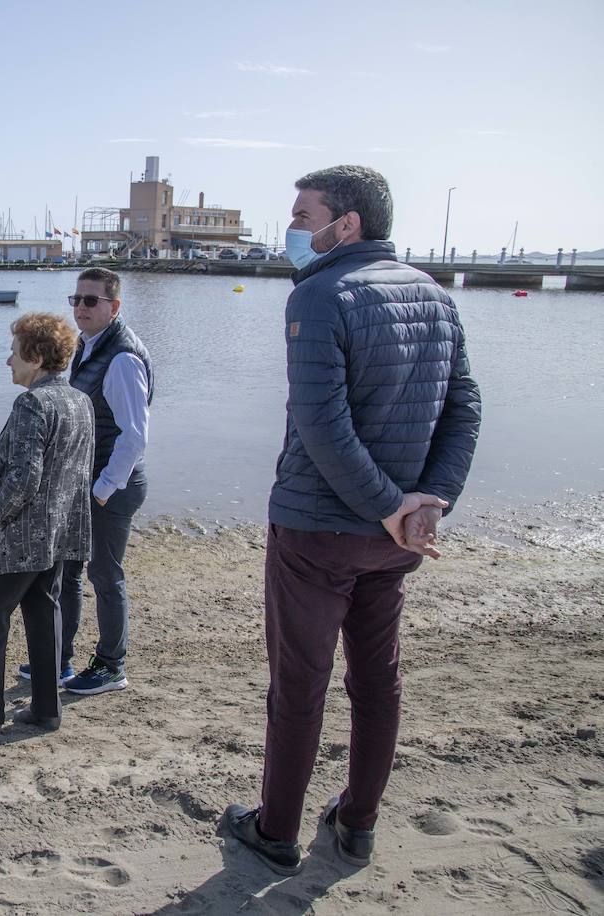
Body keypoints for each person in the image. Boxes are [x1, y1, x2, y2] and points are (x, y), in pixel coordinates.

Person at [224, 165, 481, 874]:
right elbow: (464, 410)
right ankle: (357, 821)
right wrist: (427, 502)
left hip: (318, 531)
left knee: (299, 685)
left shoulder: (320, 294)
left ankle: (276, 831)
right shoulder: (432, 293)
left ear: (348, 225)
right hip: (394, 538)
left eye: (304, 216)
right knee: (377, 679)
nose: (293, 230)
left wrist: (401, 505)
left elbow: (321, 425)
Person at [0, 313, 95, 738]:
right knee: (44, 614)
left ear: (37, 356)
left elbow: (25, 477)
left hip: (22, 537)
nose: (8, 361)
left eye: (14, 352)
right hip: (60, 534)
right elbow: (77, 474)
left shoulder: (33, 403)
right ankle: (47, 709)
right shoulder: (79, 400)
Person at [19, 266, 153, 696]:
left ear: (114, 307)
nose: (80, 308)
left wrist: (100, 491)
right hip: (88, 483)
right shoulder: (89, 347)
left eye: (91, 301)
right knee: (69, 572)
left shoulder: (122, 357)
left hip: (112, 486)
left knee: (105, 575)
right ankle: (60, 660)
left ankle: (112, 666)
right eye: (75, 300)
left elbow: (135, 437)